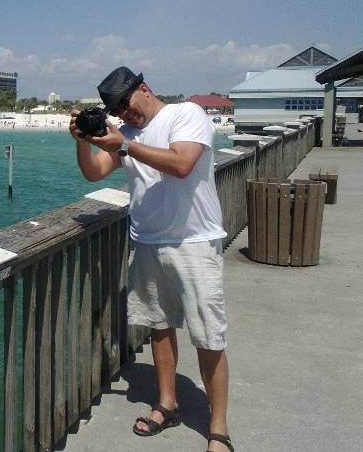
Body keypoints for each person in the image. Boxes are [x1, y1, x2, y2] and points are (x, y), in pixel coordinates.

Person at [70, 67, 232, 452]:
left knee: (208, 336)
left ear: (144, 89)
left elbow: (181, 164)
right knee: (159, 327)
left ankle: (219, 428)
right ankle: (167, 404)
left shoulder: (186, 114)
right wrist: (83, 140)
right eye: (116, 109)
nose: (124, 114)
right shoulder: (124, 134)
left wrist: (122, 146)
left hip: (194, 241)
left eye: (126, 103)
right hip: (146, 241)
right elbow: (93, 173)